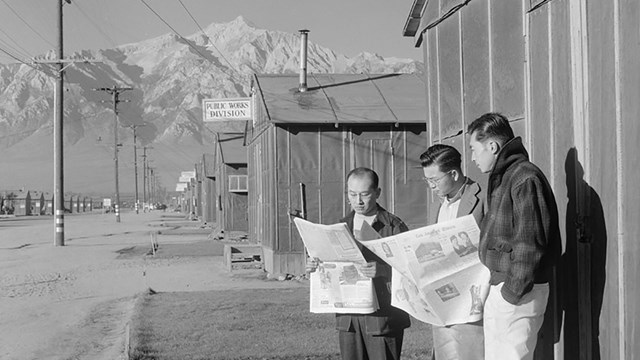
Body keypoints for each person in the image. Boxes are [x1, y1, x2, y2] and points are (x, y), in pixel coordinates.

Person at [467, 113, 560, 360]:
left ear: (492, 146)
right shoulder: (506, 176)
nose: (473, 157)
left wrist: (511, 293)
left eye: (474, 149)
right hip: (505, 288)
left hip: (518, 292)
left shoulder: (523, 177)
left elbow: (530, 244)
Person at [307, 167, 410, 360]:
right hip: (349, 319)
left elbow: (412, 270)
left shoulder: (394, 226)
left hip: (383, 319)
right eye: (352, 194)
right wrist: (315, 267)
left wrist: (382, 270)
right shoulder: (339, 227)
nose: (358, 201)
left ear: (378, 193)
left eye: (364, 194)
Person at [420, 144, 486, 360]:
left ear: (454, 173)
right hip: (443, 297)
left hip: (472, 297)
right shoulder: (435, 205)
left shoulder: (483, 198)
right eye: (427, 180)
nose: (430, 186)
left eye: (434, 180)